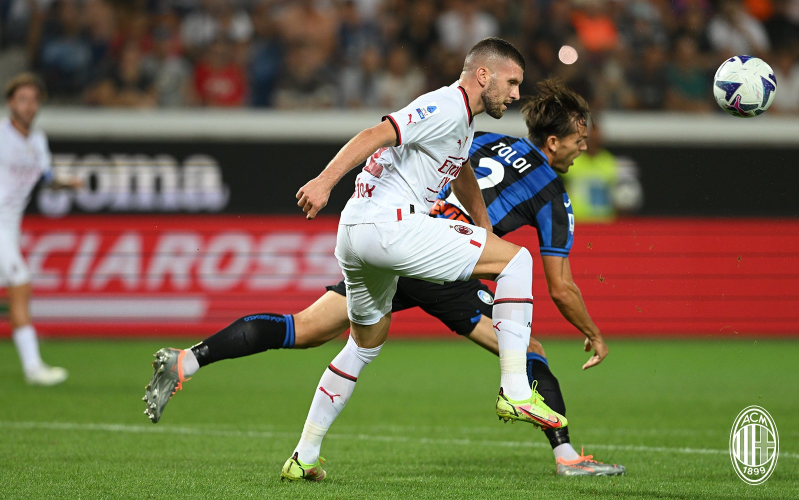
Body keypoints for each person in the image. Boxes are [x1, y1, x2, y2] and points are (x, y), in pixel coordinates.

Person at [143, 78, 622, 476]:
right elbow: (561, 287)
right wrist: (593, 333)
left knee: (307, 329)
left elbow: (447, 166)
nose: (583, 149)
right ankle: (566, 454)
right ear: (554, 142)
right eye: (579, 141)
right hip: (439, 259)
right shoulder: (552, 194)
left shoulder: (484, 139)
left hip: (404, 237)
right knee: (527, 347)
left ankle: (191, 361)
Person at [0, 73, 81, 385]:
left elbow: (47, 177)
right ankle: (33, 368)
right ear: (11, 103)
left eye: (34, 100)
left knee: (18, 287)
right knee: (20, 282)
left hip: (10, 227)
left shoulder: (37, 140)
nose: (29, 106)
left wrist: (67, 182)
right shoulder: (1, 135)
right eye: (22, 99)